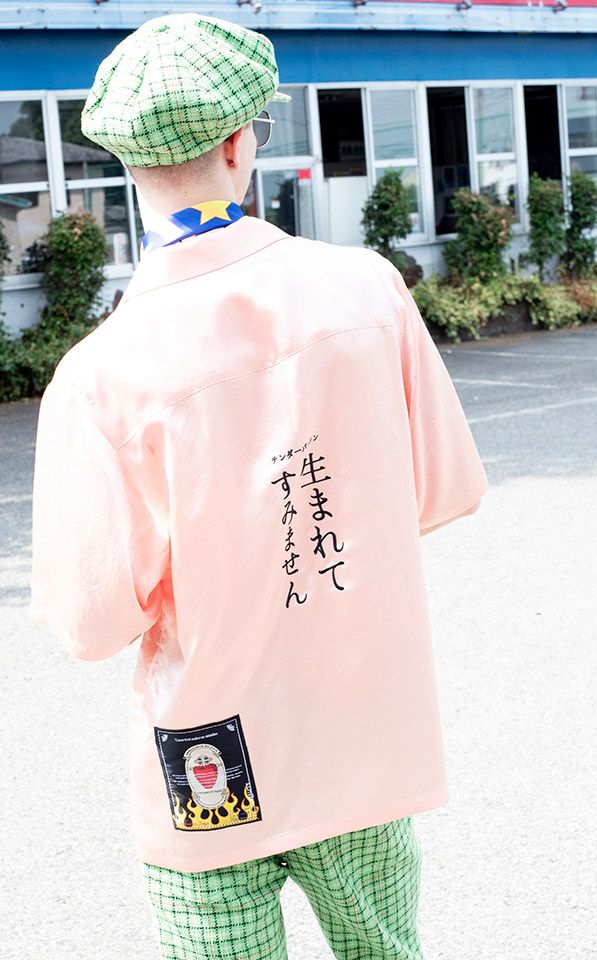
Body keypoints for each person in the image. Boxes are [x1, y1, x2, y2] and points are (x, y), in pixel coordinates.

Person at [29, 12, 489, 960]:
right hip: (359, 740)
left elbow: (91, 622)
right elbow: (442, 488)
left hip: (209, 754)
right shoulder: (367, 290)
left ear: (127, 162)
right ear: (242, 144)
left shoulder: (101, 375)